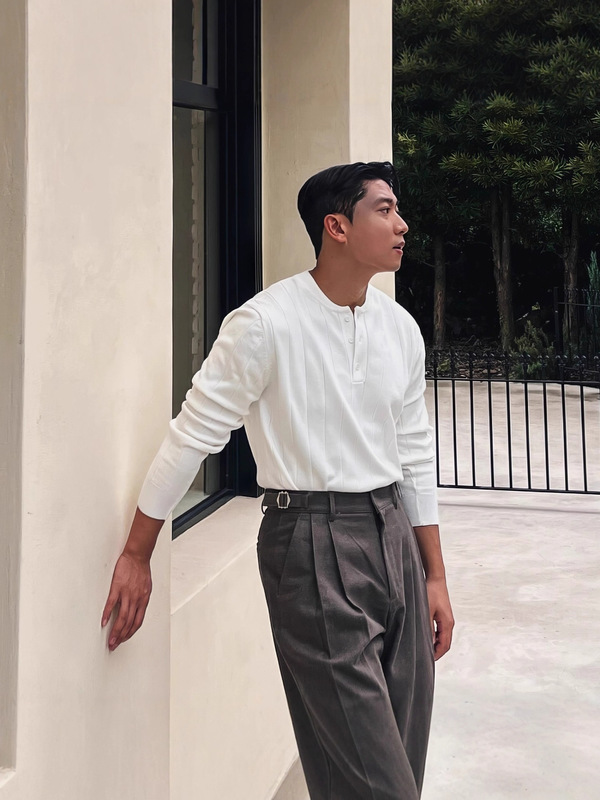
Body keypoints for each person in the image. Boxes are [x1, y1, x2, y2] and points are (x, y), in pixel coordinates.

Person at [102, 161, 454, 800]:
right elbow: (194, 435)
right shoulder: (264, 324)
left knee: (401, 757)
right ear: (336, 227)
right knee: (381, 784)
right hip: (311, 540)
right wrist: (137, 551)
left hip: (394, 535)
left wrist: (434, 574)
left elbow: (414, 452)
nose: (402, 225)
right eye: (384, 210)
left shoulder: (400, 328)